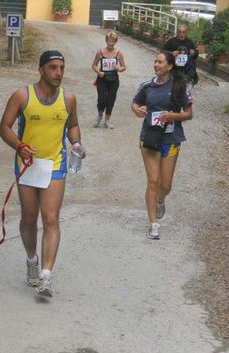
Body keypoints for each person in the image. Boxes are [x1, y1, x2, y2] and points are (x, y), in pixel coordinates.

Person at [0, 51, 81, 297]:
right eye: (53, 68)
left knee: (51, 218)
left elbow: (73, 125)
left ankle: (46, 276)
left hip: (55, 163)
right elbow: (4, 127)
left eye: (62, 68)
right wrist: (19, 146)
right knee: (29, 218)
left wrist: (75, 144)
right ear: (41, 69)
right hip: (28, 164)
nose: (58, 73)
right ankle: (32, 260)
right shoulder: (23, 95)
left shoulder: (68, 98)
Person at [131, 51, 193, 240]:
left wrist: (173, 116)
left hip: (171, 138)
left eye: (160, 62)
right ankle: (153, 224)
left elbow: (189, 113)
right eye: (155, 62)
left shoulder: (179, 86)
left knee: (165, 184)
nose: (156, 65)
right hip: (149, 138)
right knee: (153, 181)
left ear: (169, 66)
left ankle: (160, 199)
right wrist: (137, 110)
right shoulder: (147, 85)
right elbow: (135, 103)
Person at [91, 31, 126, 129]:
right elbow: (94, 65)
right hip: (102, 78)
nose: (111, 43)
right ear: (106, 41)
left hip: (114, 79)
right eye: (109, 41)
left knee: (111, 99)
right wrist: (99, 72)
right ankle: (99, 116)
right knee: (102, 98)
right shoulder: (100, 52)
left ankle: (107, 121)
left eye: (113, 41)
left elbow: (124, 67)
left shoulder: (119, 53)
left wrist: (119, 68)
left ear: (116, 42)